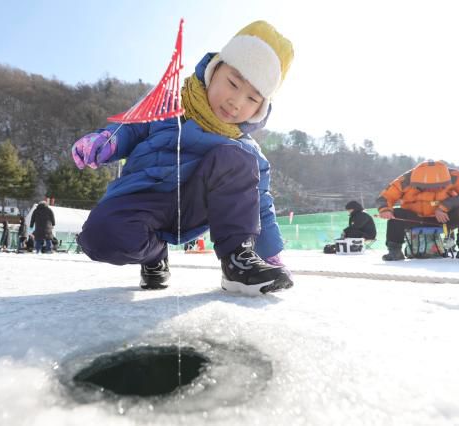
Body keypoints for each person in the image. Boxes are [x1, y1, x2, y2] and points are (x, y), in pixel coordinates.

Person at [74, 21, 295, 295]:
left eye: (252, 98)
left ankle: (237, 261)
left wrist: (270, 252)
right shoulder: (166, 104)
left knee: (237, 158)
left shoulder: (245, 150)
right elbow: (130, 128)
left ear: (260, 109)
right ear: (213, 71)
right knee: (100, 237)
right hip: (141, 196)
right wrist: (105, 142)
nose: (236, 102)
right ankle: (154, 256)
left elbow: (259, 204)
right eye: (233, 83)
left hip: (192, 207)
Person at [377, 160, 459, 261]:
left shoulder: (455, 176)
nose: (432, 190)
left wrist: (445, 206)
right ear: (415, 182)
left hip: (445, 217)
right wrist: (384, 210)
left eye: (439, 187)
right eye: (425, 188)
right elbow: (385, 197)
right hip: (416, 218)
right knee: (396, 214)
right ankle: (395, 251)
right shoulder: (404, 181)